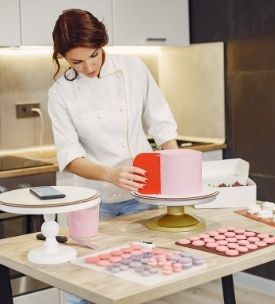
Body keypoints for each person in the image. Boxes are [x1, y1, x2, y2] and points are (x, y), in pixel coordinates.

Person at [48, 8, 178, 304]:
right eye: (76, 61)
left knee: (137, 279)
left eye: (93, 55)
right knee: (81, 284)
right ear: (63, 57)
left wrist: (177, 175)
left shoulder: (133, 69)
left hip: (142, 196)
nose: (89, 66)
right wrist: (110, 174)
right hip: (92, 202)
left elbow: (161, 123)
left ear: (102, 44)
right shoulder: (60, 93)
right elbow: (69, 156)